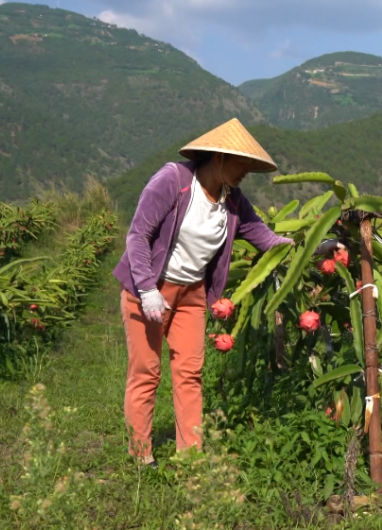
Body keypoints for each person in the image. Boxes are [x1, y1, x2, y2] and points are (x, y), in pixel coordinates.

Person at [112, 118, 294, 467]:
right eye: (244, 164)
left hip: (192, 295)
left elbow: (266, 240)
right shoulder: (174, 181)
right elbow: (137, 235)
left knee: (190, 372)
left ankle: (190, 456)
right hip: (147, 290)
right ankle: (140, 455)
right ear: (221, 158)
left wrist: (309, 247)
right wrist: (148, 289)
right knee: (146, 372)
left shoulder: (234, 201)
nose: (246, 173)